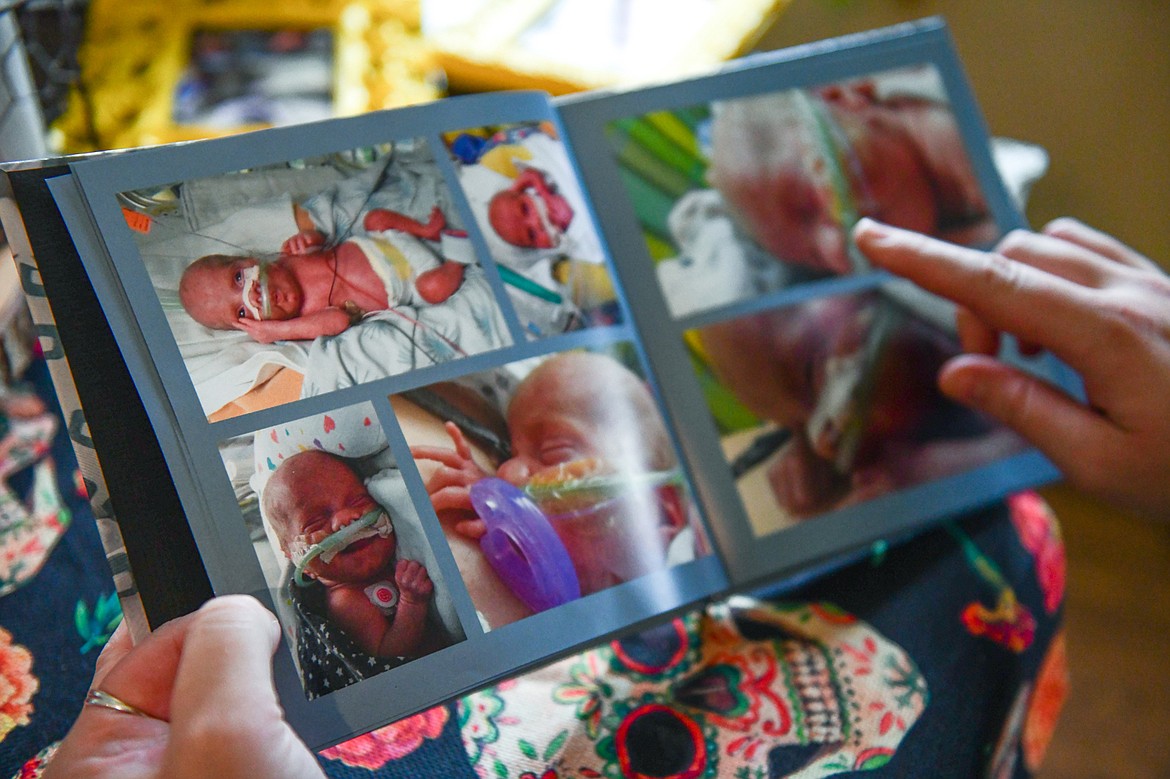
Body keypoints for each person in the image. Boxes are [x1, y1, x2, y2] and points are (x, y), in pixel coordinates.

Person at [43, 218, 1170, 777]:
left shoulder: (661, 553)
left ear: (667, 515)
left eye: (555, 449)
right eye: (523, 453)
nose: (520, 477)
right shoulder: (458, 532)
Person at [697, 287, 1025, 518]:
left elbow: (1046, 431)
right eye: (801, 423)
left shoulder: (955, 313)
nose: (825, 439)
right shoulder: (890, 405)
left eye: (809, 370)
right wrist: (806, 449)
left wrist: (934, 471)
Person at [410, 351, 697, 599]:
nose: (507, 472)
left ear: (656, 513)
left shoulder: (685, 565)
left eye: (554, 453)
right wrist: (491, 499)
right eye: (510, 456)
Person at [707, 77, 995, 276]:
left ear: (840, 98)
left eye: (808, 204)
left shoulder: (949, 125)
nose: (837, 253)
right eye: (816, 259)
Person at [263, 449, 436, 696]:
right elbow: (388, 657)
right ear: (295, 555)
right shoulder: (346, 600)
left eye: (357, 501)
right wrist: (412, 603)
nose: (346, 519)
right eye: (315, 522)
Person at [179, 204, 469, 344]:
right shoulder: (301, 319)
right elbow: (339, 320)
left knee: (375, 217)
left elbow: (319, 240)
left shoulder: (288, 256)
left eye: (238, 279)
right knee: (435, 289)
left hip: (383, 242)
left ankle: (424, 230)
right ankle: (458, 258)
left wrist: (309, 238)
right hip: (409, 280)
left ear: (250, 260)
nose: (252, 295)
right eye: (242, 312)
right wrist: (278, 331)